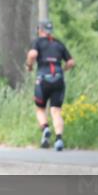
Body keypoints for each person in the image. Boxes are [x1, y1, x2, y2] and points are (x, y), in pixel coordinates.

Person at [25, 20, 75, 151]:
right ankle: (58, 140)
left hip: (43, 79)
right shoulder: (59, 43)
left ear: (40, 30)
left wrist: (29, 65)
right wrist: (63, 69)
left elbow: (32, 54)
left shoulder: (37, 42)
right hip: (58, 79)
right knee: (56, 111)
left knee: (40, 109)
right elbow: (71, 62)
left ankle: (45, 128)